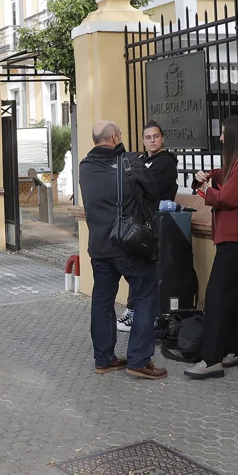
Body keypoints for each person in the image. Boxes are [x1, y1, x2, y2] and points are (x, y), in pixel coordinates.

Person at [79, 121, 166, 379]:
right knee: (146, 295)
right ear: (115, 137)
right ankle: (139, 361)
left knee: (102, 301)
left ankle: (103, 359)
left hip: (99, 247)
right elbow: (153, 194)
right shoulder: (131, 162)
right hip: (129, 245)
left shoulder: (85, 166)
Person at [186, 115, 238, 380]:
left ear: (234, 135)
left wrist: (206, 190)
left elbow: (227, 197)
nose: (220, 137)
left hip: (235, 236)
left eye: (223, 133)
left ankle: (211, 359)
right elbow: (216, 178)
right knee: (232, 292)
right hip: (233, 236)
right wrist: (203, 178)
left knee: (217, 294)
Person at [117, 121, 179, 332]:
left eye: (156, 136)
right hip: (139, 223)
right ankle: (132, 310)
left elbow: (147, 188)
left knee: (151, 272)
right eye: (148, 137)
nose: (152, 141)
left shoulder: (166, 163)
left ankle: (143, 314)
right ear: (143, 140)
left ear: (162, 138)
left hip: (157, 224)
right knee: (137, 268)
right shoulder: (141, 160)